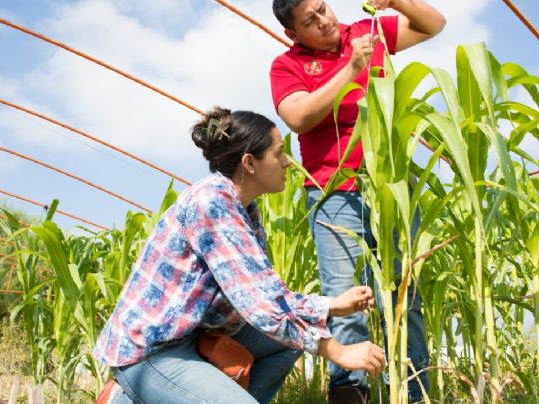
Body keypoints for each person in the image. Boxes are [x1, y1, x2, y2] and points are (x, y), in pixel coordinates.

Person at [92, 107, 386, 404]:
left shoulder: (244, 209)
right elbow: (261, 302)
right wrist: (339, 351)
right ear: (250, 163)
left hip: (194, 339)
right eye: (279, 153)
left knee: (288, 341)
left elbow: (269, 291)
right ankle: (125, 397)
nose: (287, 162)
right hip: (152, 351)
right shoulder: (212, 203)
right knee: (292, 333)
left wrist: (332, 305)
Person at [269, 1, 446, 402]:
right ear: (292, 34)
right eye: (310, 21)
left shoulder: (367, 32)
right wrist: (351, 70)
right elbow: (297, 116)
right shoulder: (287, 65)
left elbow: (433, 25)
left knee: (405, 294)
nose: (324, 21)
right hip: (334, 191)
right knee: (345, 298)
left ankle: (412, 392)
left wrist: (396, 2)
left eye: (323, 8)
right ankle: (350, 393)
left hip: (392, 185)